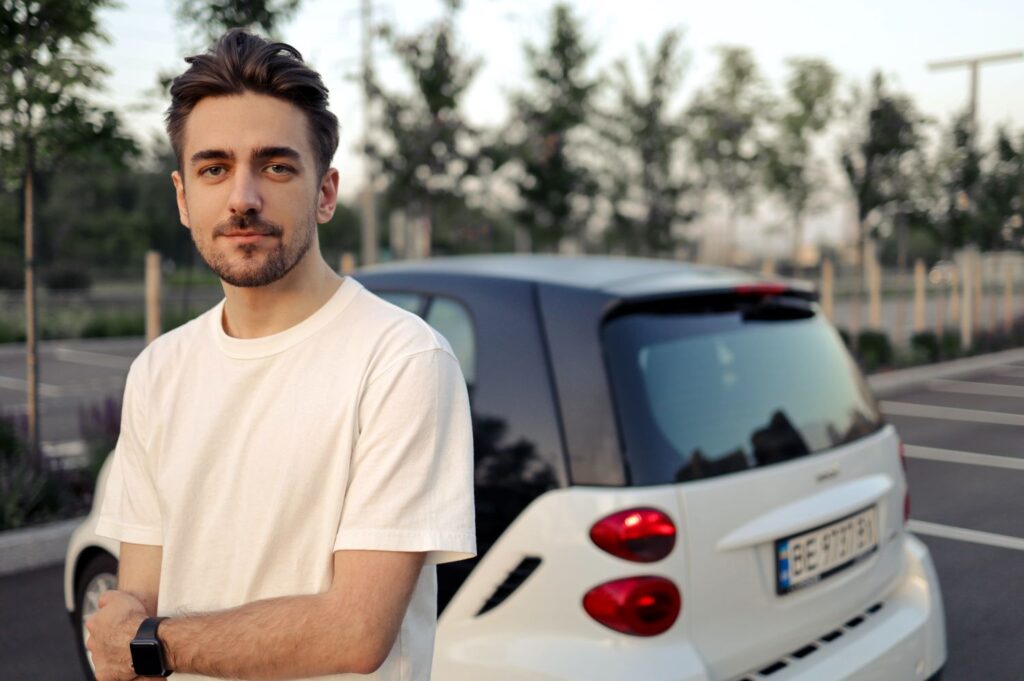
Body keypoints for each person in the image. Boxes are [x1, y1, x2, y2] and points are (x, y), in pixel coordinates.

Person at [86, 29, 475, 681]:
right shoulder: (160, 370)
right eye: (214, 168)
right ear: (183, 197)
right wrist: (133, 633)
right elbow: (138, 600)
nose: (243, 198)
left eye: (275, 166)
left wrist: (153, 643)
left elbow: (354, 632)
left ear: (325, 192)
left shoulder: (401, 359)